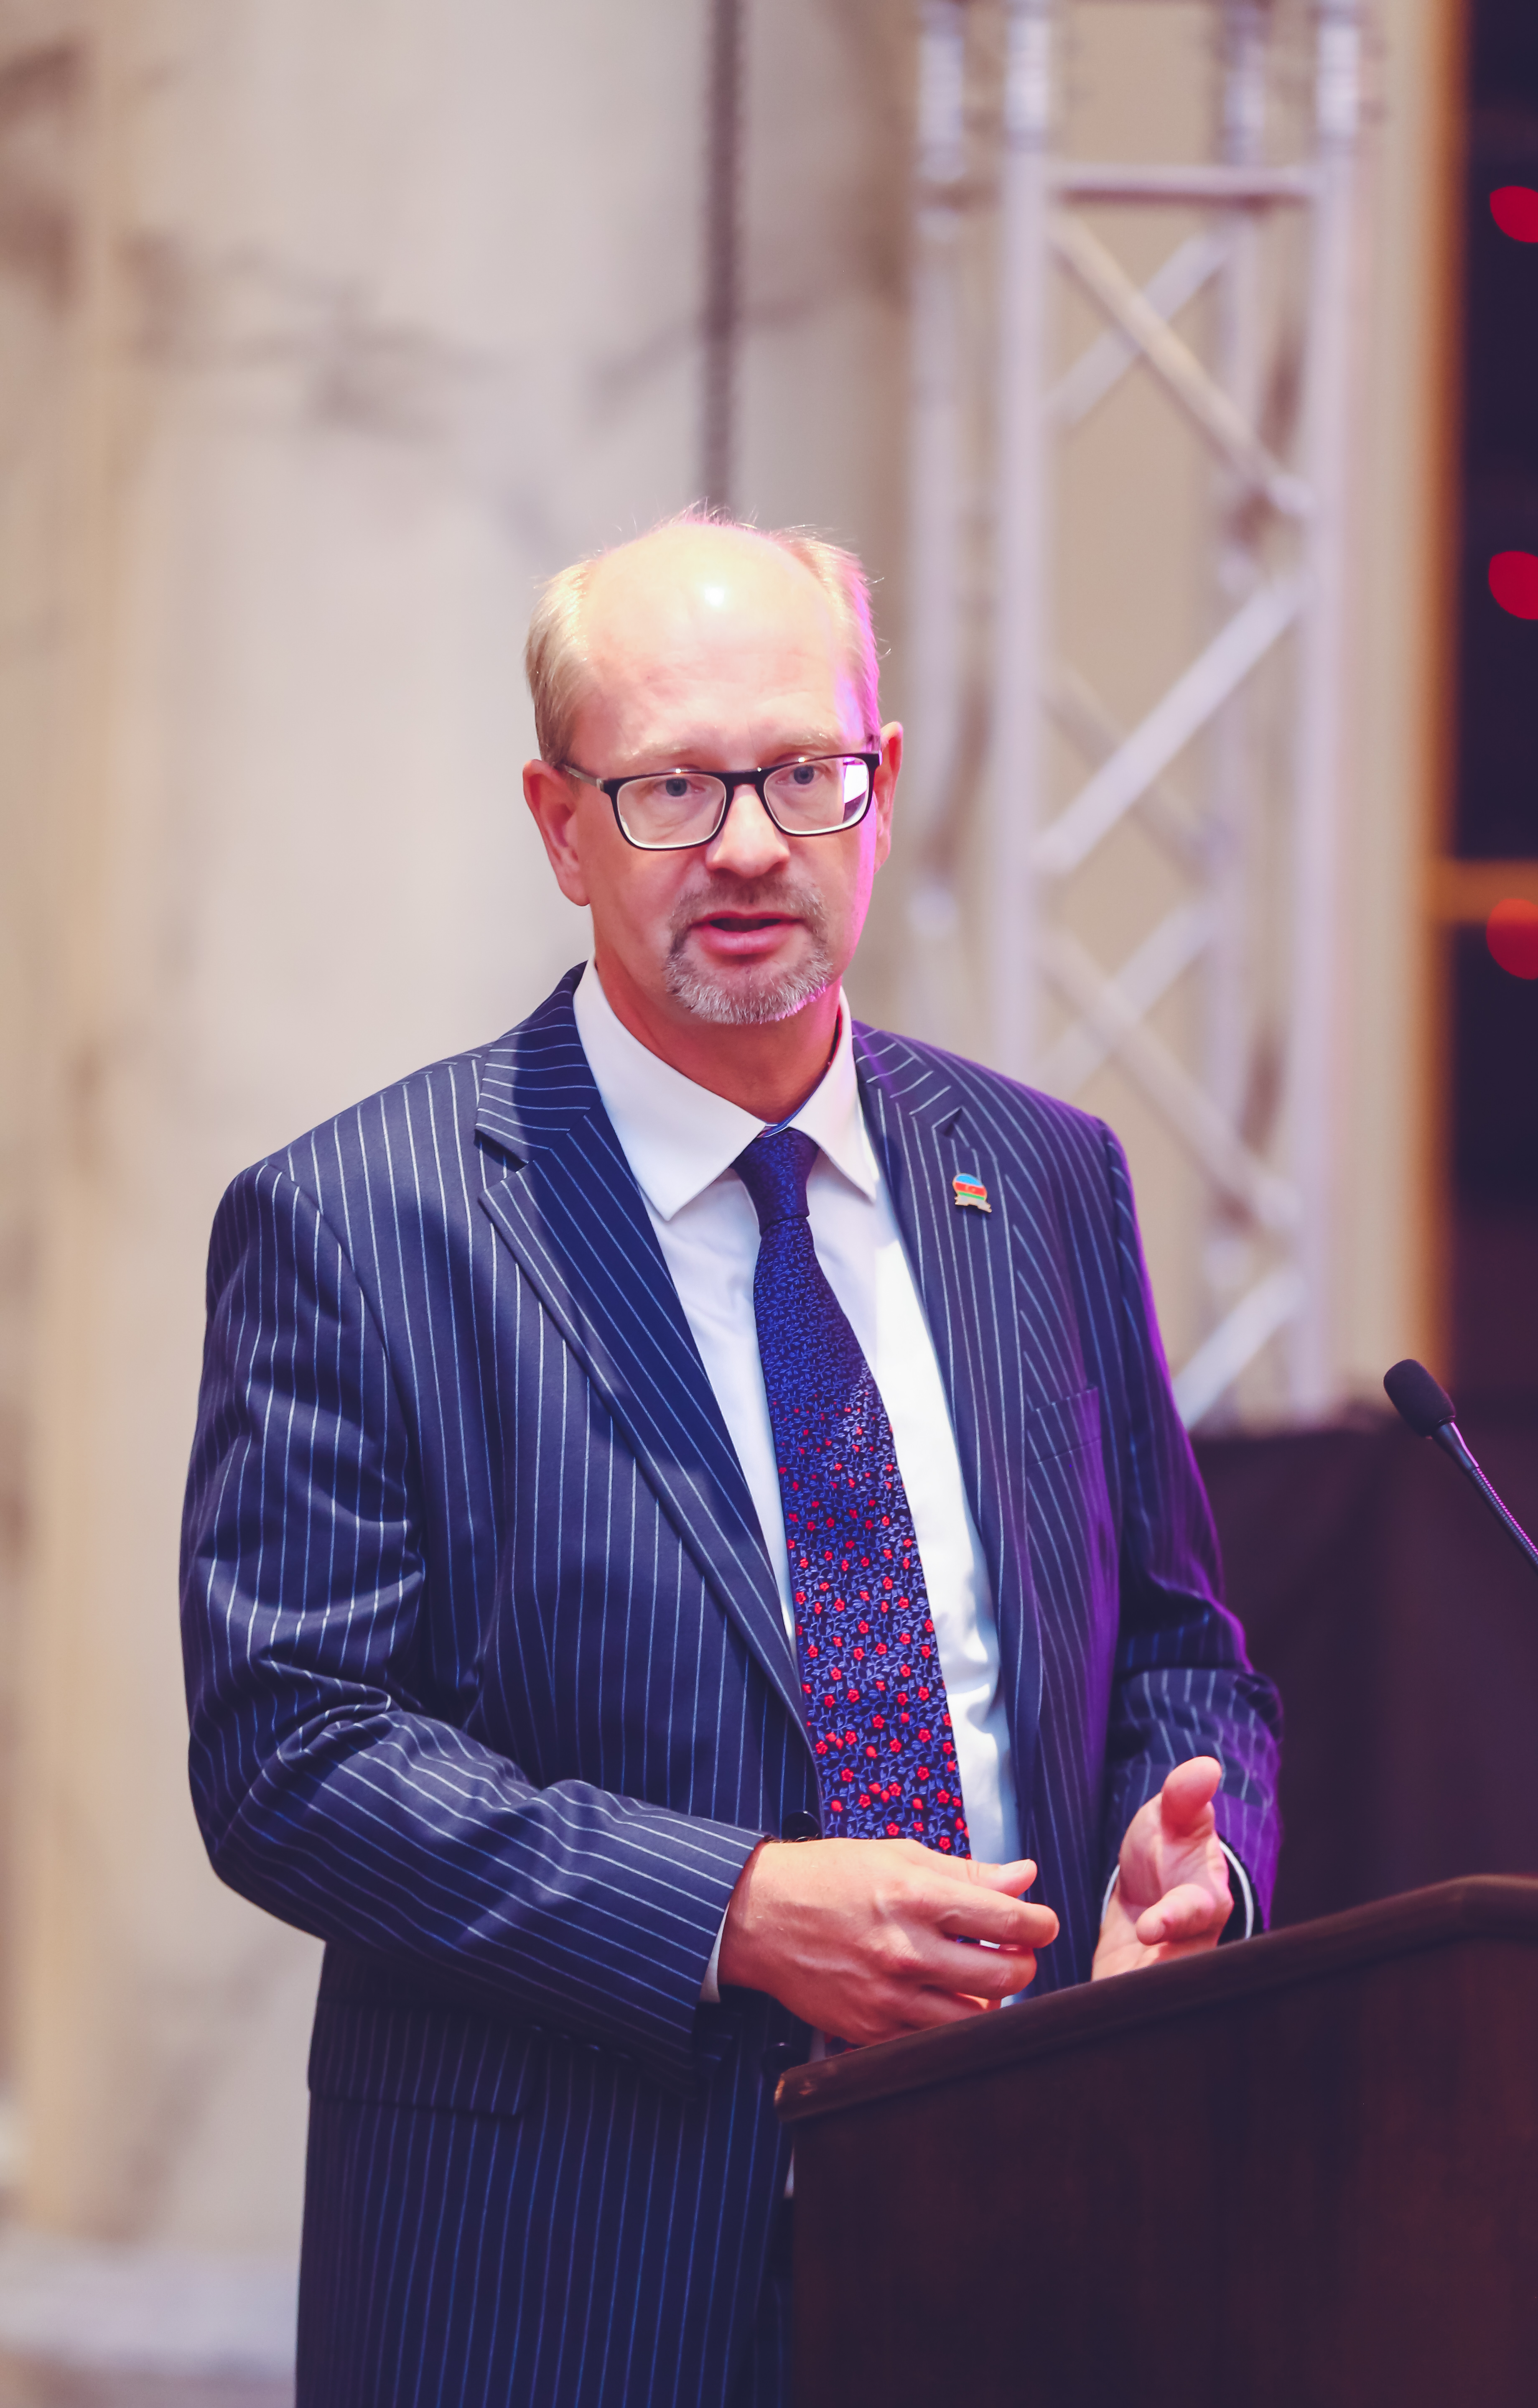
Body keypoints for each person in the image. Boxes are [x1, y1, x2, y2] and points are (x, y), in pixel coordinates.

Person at [181, 514, 1281, 2408]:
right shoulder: (360, 1222)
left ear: (883, 787)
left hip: (1036, 2227)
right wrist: (733, 1910)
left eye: (803, 774)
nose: (754, 843)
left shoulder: (1043, 1177)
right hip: (560, 2283)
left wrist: (1201, 1875)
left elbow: (1188, 1655)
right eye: (675, 787)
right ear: (562, 826)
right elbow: (290, 1753)